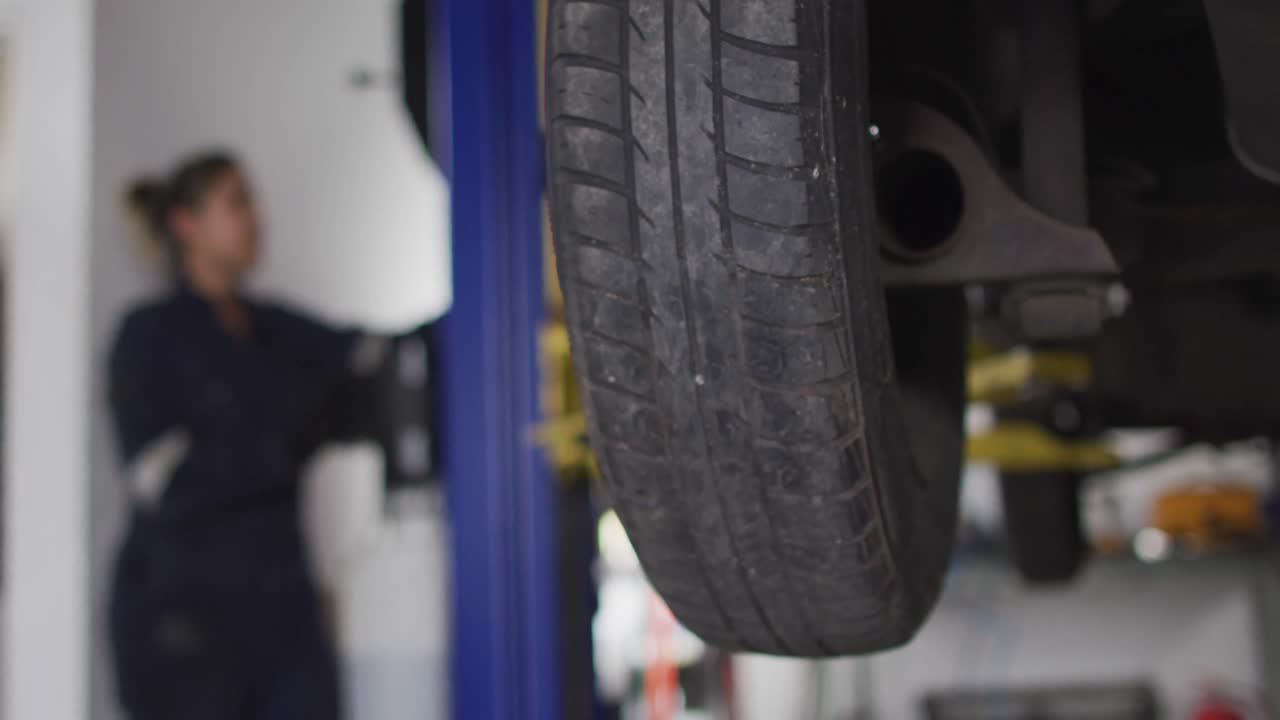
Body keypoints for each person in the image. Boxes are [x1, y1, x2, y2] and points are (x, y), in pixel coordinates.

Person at [107, 150, 434, 720]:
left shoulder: (272, 329)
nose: (256, 218)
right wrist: (282, 436)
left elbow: (378, 356)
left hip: (282, 613)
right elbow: (163, 484)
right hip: (185, 628)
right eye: (236, 202)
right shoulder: (149, 337)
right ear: (186, 223)